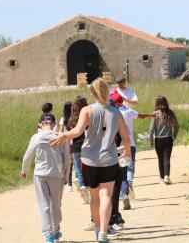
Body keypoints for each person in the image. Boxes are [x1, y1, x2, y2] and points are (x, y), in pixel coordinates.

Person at [51, 77, 132, 243]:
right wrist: (128, 155)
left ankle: (97, 230)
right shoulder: (116, 112)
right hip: (109, 159)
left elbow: (77, 131)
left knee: (94, 197)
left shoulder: (87, 110)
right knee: (106, 195)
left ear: (92, 93)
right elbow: (125, 138)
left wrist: (64, 134)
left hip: (89, 160)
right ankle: (103, 231)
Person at [21, 113, 70, 243]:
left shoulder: (36, 137)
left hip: (40, 174)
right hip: (57, 174)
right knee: (56, 204)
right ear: (53, 124)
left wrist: (24, 170)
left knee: (44, 204)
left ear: (40, 125)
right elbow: (67, 159)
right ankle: (56, 231)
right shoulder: (60, 137)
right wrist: (66, 174)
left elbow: (28, 154)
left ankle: (48, 235)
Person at [110, 87, 155, 210]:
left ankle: (119, 195)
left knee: (115, 174)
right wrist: (152, 115)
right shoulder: (127, 111)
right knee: (127, 169)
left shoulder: (109, 113)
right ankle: (126, 190)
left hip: (113, 147)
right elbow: (140, 116)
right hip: (129, 145)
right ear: (121, 102)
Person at [149, 95, 179, 184]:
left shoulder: (155, 114)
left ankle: (161, 178)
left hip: (158, 140)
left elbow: (151, 129)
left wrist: (151, 142)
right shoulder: (171, 113)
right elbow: (177, 126)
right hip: (169, 138)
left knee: (160, 159)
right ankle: (167, 176)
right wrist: (174, 136)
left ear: (157, 104)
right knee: (167, 158)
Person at [69, 96, 90, 204]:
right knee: (86, 167)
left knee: (78, 168)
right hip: (86, 145)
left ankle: (81, 185)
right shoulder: (87, 115)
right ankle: (86, 185)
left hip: (75, 146)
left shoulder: (72, 118)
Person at [59, 101, 74, 192]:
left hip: (66, 142)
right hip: (75, 141)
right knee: (75, 162)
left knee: (67, 162)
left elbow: (60, 131)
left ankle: (69, 184)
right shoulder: (74, 118)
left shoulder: (63, 119)